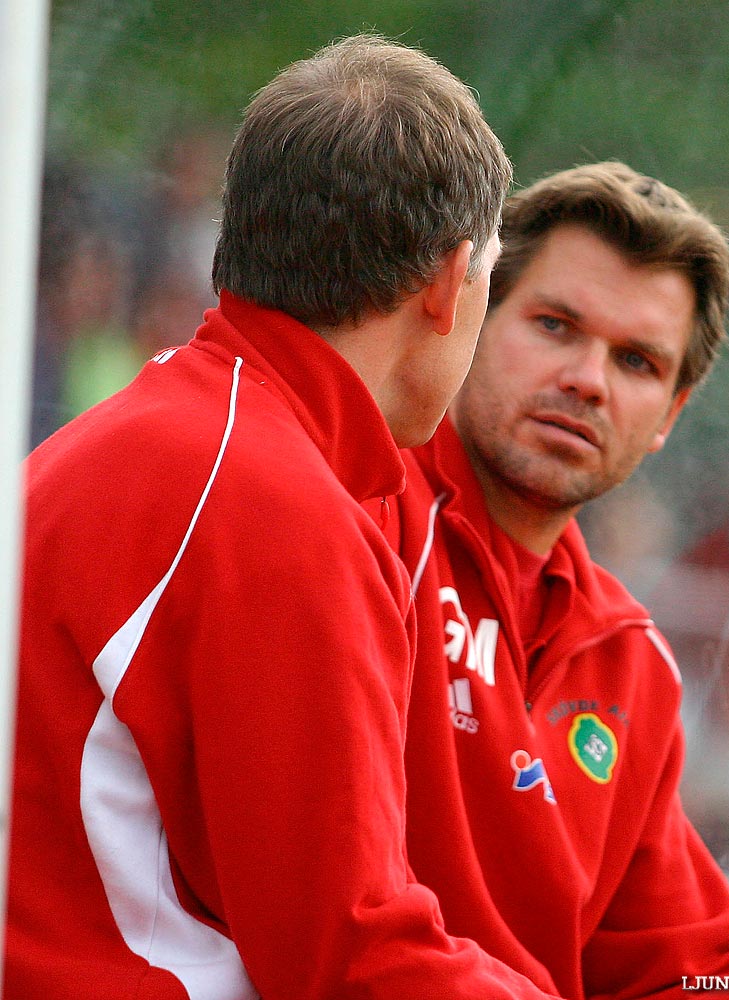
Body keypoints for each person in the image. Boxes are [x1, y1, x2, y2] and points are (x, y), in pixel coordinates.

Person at [6, 34, 564, 1000]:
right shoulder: (274, 513)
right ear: (447, 281)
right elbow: (351, 960)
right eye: (492, 281)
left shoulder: (168, 437)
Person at [382, 162, 729, 999]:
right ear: (470, 315)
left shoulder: (632, 664)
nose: (588, 381)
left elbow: (690, 968)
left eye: (636, 362)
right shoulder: (356, 522)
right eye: (556, 325)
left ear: (671, 413)